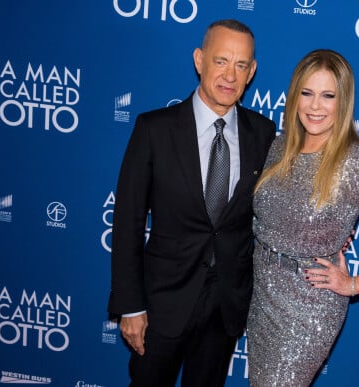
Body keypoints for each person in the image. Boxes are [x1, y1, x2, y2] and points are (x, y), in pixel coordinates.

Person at [107, 19, 276, 386]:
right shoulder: (154, 129)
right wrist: (130, 306)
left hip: (225, 306)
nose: (230, 75)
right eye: (221, 61)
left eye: (241, 65)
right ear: (199, 60)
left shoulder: (263, 133)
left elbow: (277, 208)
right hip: (161, 304)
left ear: (252, 72)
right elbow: (127, 223)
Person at [246, 49, 359, 386]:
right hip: (262, 296)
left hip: (310, 308)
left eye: (328, 96)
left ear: (343, 103)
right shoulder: (277, 147)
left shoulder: (354, 163)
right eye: (307, 93)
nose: (315, 106)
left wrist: (357, 283)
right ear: (294, 95)